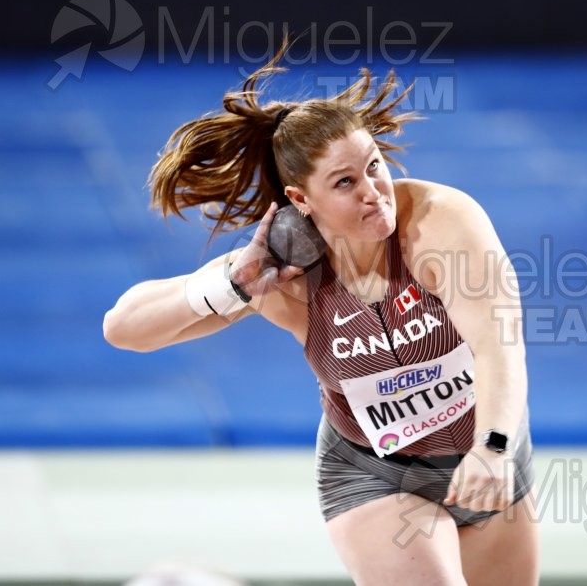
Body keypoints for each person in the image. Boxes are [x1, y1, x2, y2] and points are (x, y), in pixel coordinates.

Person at [103, 40, 539, 586]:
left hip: (485, 447)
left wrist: (494, 447)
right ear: (300, 199)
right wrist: (230, 285)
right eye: (344, 183)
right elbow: (123, 329)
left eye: (373, 166)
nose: (374, 194)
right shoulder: (284, 274)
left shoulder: (440, 223)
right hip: (375, 475)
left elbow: (499, 345)